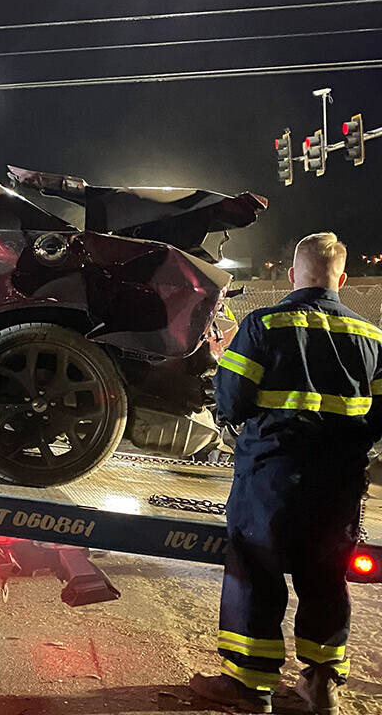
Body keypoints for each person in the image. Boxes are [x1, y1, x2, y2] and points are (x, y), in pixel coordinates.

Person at [189, 233, 379, 715]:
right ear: (343, 278)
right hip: (338, 485)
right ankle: (321, 683)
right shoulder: (373, 337)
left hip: (270, 479)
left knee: (256, 571)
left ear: (293, 275)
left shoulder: (263, 324)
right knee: (326, 576)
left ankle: (250, 687)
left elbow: (230, 399)